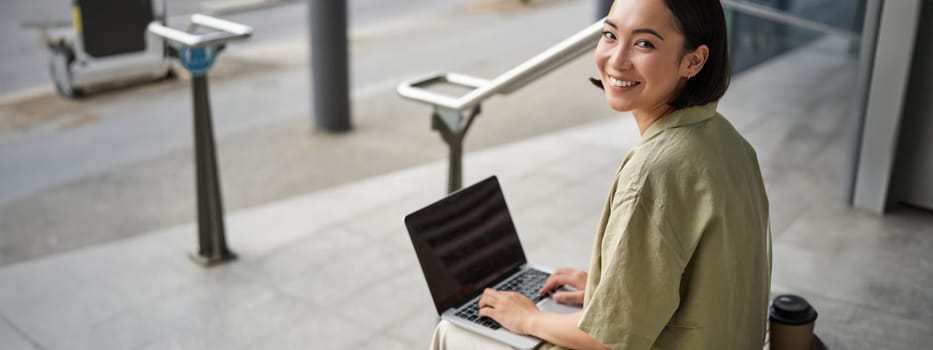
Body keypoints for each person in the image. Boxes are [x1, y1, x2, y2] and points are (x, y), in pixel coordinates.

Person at [430, 0, 771, 348]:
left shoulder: (655, 172)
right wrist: (606, 290)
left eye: (644, 43)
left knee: (456, 331)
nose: (616, 59)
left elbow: (608, 341)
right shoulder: (729, 141)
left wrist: (529, 318)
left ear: (694, 60)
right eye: (610, 34)